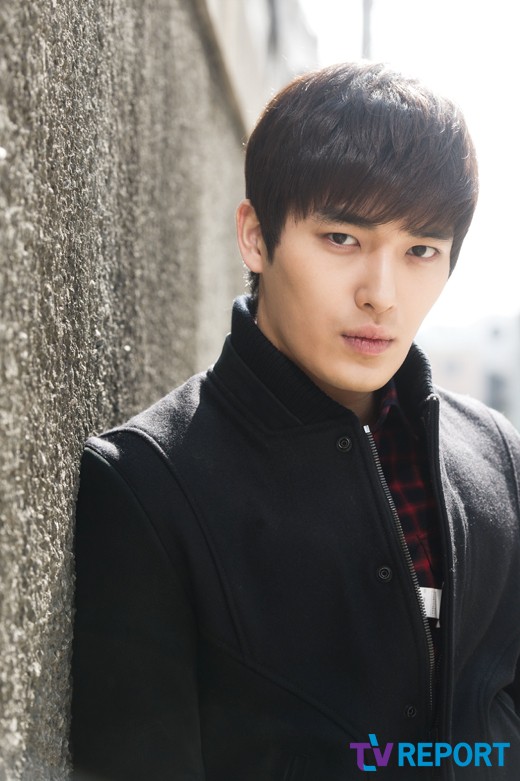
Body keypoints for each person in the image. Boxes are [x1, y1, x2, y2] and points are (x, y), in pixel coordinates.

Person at [70, 62, 520, 780]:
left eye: (420, 251)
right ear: (256, 235)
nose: (381, 294)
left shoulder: (498, 458)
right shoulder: (148, 483)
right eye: (342, 238)